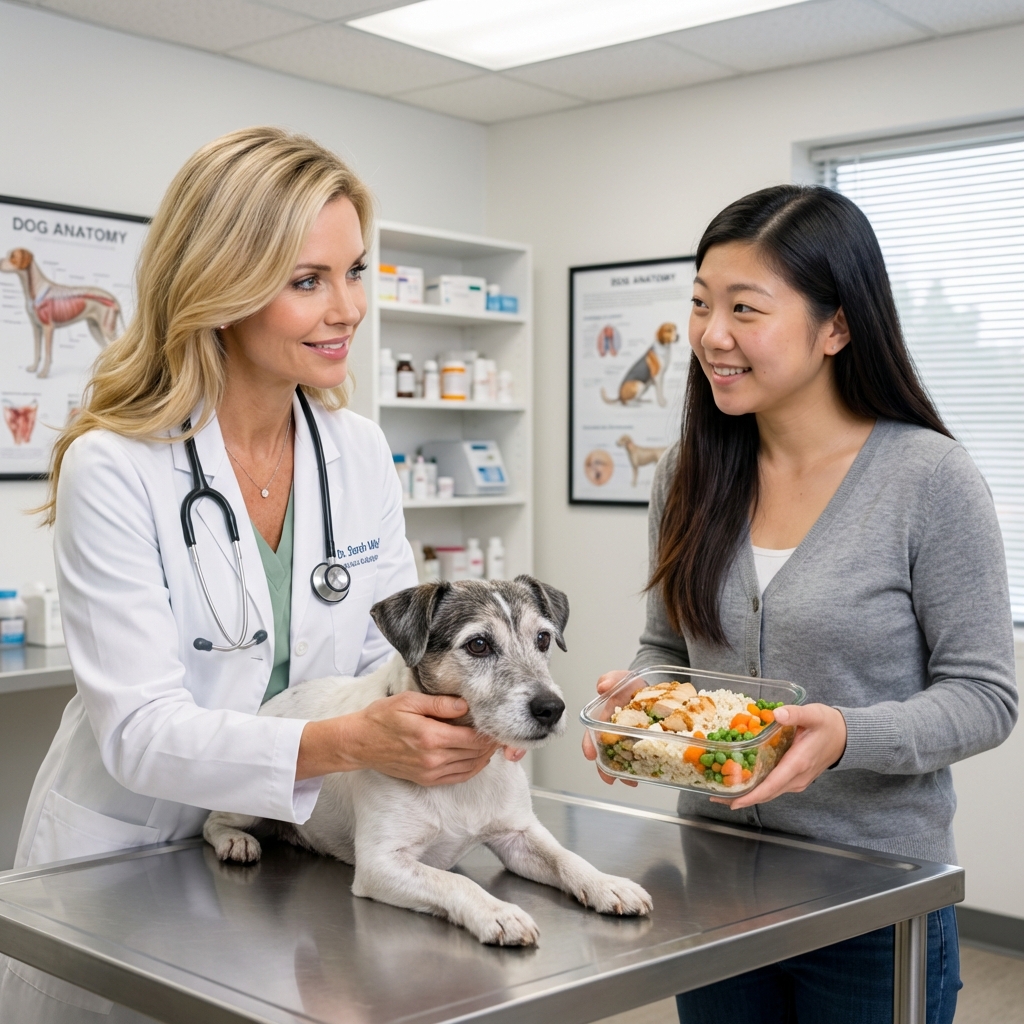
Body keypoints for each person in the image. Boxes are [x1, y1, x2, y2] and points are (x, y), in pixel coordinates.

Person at [0, 127, 517, 1022]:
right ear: (218, 287)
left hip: (294, 854)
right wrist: (353, 742)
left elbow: (382, 651)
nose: (348, 308)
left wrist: (464, 711)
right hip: (135, 852)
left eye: (354, 271)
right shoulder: (114, 465)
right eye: (306, 280)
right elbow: (141, 732)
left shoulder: (354, 451)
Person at [583, 184, 1018, 1023]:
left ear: (836, 327)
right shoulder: (689, 473)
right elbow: (665, 648)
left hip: (872, 896)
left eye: (747, 309)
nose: (712, 336)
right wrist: (637, 703)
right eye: (702, 304)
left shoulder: (929, 479)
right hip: (710, 886)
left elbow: (986, 698)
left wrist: (848, 735)